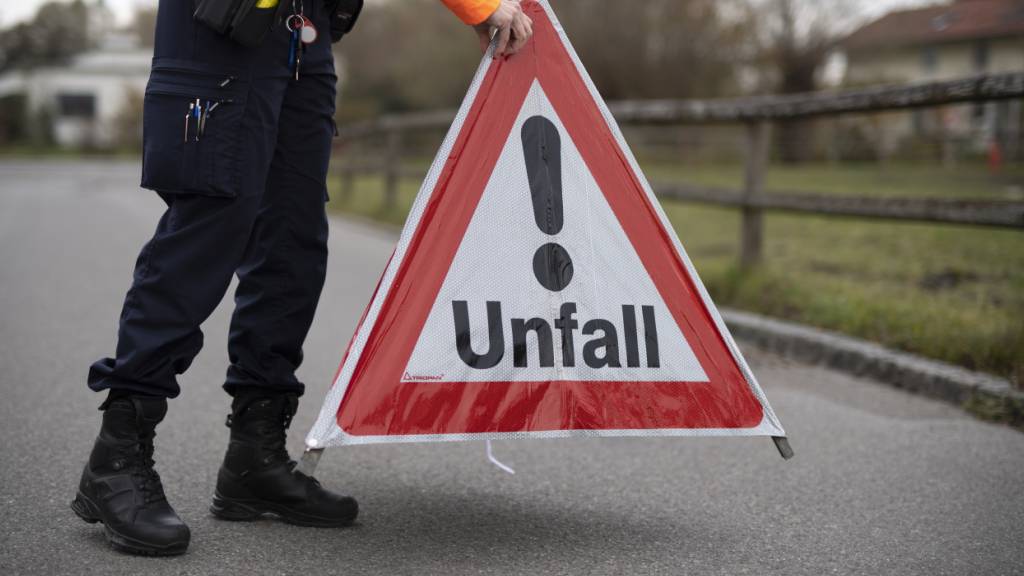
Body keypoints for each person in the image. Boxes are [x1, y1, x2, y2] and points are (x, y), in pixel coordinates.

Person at [70, 0, 533, 556]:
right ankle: (117, 454)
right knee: (210, 229)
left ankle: (254, 455)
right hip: (225, 21)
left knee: (294, 242)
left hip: (301, 33)